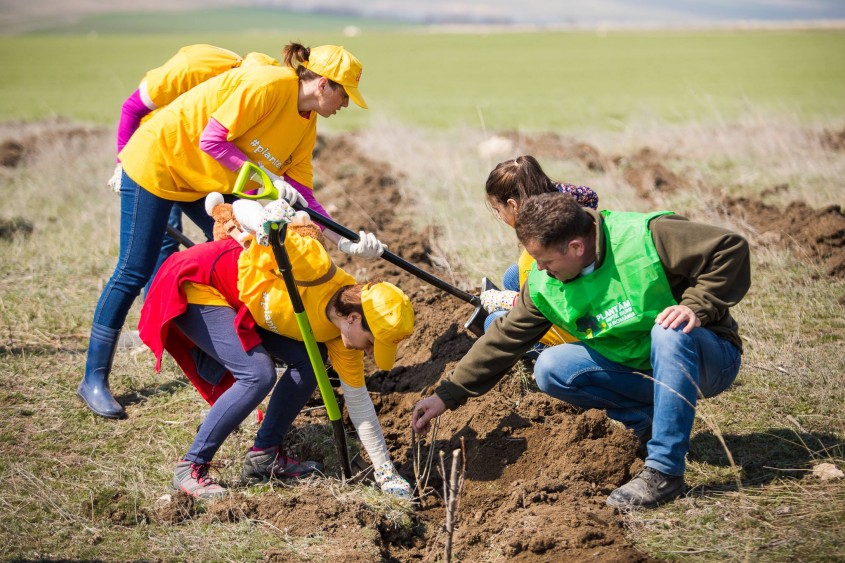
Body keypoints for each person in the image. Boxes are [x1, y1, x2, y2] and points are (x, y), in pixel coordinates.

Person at [79, 42, 385, 419]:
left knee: (239, 254)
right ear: (323, 84)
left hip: (201, 181)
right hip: (158, 162)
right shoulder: (270, 84)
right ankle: (94, 377)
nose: (346, 105)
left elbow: (304, 195)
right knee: (134, 269)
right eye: (344, 94)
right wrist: (269, 177)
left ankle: (216, 354)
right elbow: (211, 139)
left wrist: (346, 240)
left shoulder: (306, 126)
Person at [412, 192, 750, 509]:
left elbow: (729, 249)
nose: (540, 270)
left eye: (544, 261)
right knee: (551, 367)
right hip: (638, 368)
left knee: (668, 331)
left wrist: (697, 305)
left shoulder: (645, 236)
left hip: (704, 358)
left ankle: (664, 472)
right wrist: (446, 394)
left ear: (575, 246)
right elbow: (504, 338)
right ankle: (650, 423)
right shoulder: (545, 285)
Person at [139, 197, 415, 500]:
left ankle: (264, 455)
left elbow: (360, 406)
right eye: (371, 343)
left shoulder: (342, 338)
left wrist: (385, 472)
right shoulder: (311, 263)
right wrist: (265, 224)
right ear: (353, 317)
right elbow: (241, 205)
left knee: (312, 363)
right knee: (257, 374)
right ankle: (191, 466)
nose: (367, 352)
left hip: (248, 308)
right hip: (200, 283)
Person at [107, 44, 281, 299]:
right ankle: (156, 325)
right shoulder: (193, 66)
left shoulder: (254, 98)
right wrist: (122, 165)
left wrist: (252, 203)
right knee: (162, 242)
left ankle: (214, 304)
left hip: (201, 162)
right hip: (158, 156)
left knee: (227, 232)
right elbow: (131, 108)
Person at [479, 155, 599, 360]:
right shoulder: (562, 206)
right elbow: (591, 195)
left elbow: (556, 299)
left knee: (493, 322)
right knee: (512, 276)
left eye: (499, 210)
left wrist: (512, 302)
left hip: (587, 324)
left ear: (513, 205)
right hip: (588, 294)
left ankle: (551, 356)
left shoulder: (547, 242)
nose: (500, 217)